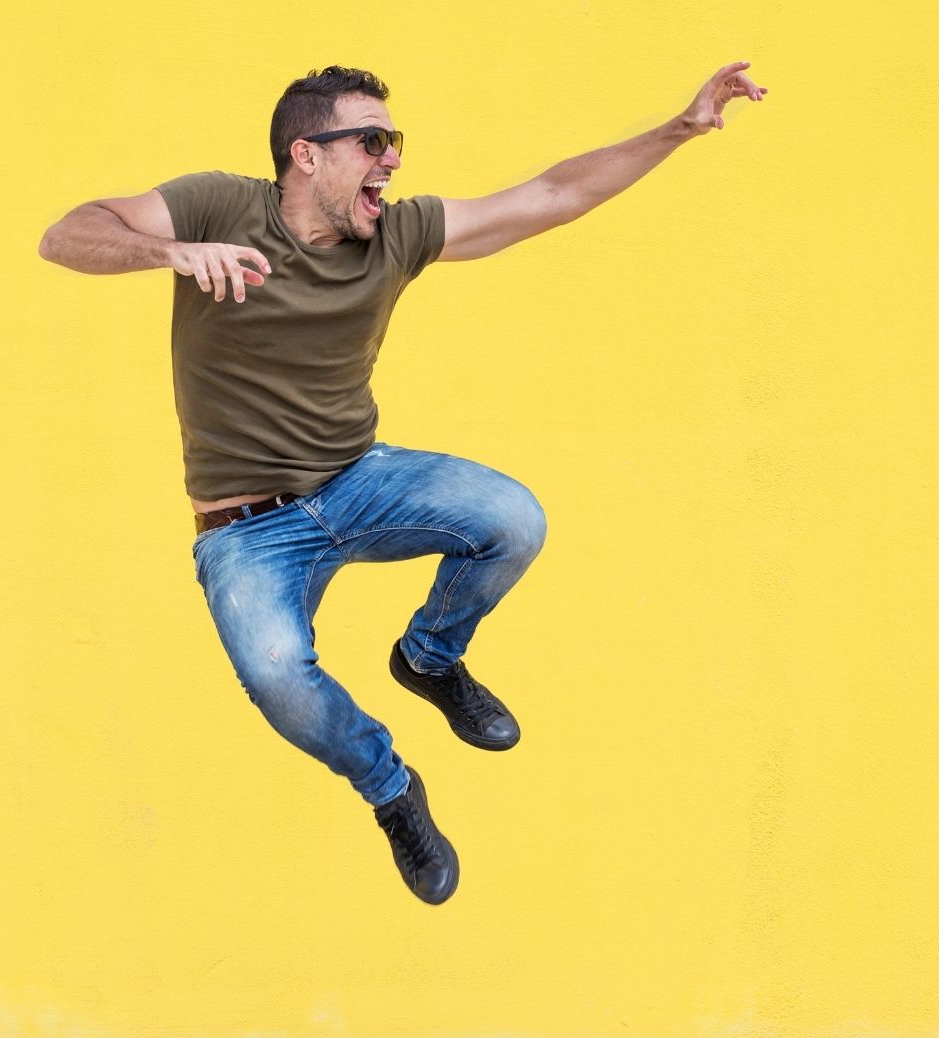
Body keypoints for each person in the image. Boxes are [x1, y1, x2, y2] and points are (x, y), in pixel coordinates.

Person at [37, 62, 768, 904]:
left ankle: (429, 657)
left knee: (512, 519)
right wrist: (168, 250)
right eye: (374, 142)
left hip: (358, 481)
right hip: (244, 529)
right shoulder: (216, 206)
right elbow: (67, 234)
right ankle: (392, 792)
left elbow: (552, 195)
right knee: (277, 674)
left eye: (397, 143)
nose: (392, 161)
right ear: (305, 155)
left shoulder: (397, 233)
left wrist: (680, 126)